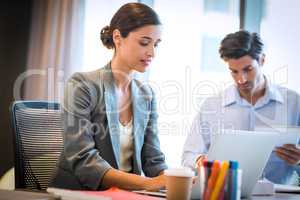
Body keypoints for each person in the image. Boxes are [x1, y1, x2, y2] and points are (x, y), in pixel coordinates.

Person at [51, 3, 167, 190]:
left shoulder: (147, 95)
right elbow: (84, 161)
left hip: (125, 195)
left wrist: (176, 181)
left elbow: (153, 160)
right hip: (80, 193)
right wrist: (149, 183)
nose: (152, 52)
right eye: (144, 42)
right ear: (118, 37)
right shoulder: (82, 85)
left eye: (156, 44)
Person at [182, 30, 300, 185]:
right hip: (225, 194)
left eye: (248, 70)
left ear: (262, 60)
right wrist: (199, 161)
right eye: (234, 72)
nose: (241, 79)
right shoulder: (212, 105)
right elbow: (188, 156)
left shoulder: (294, 103)